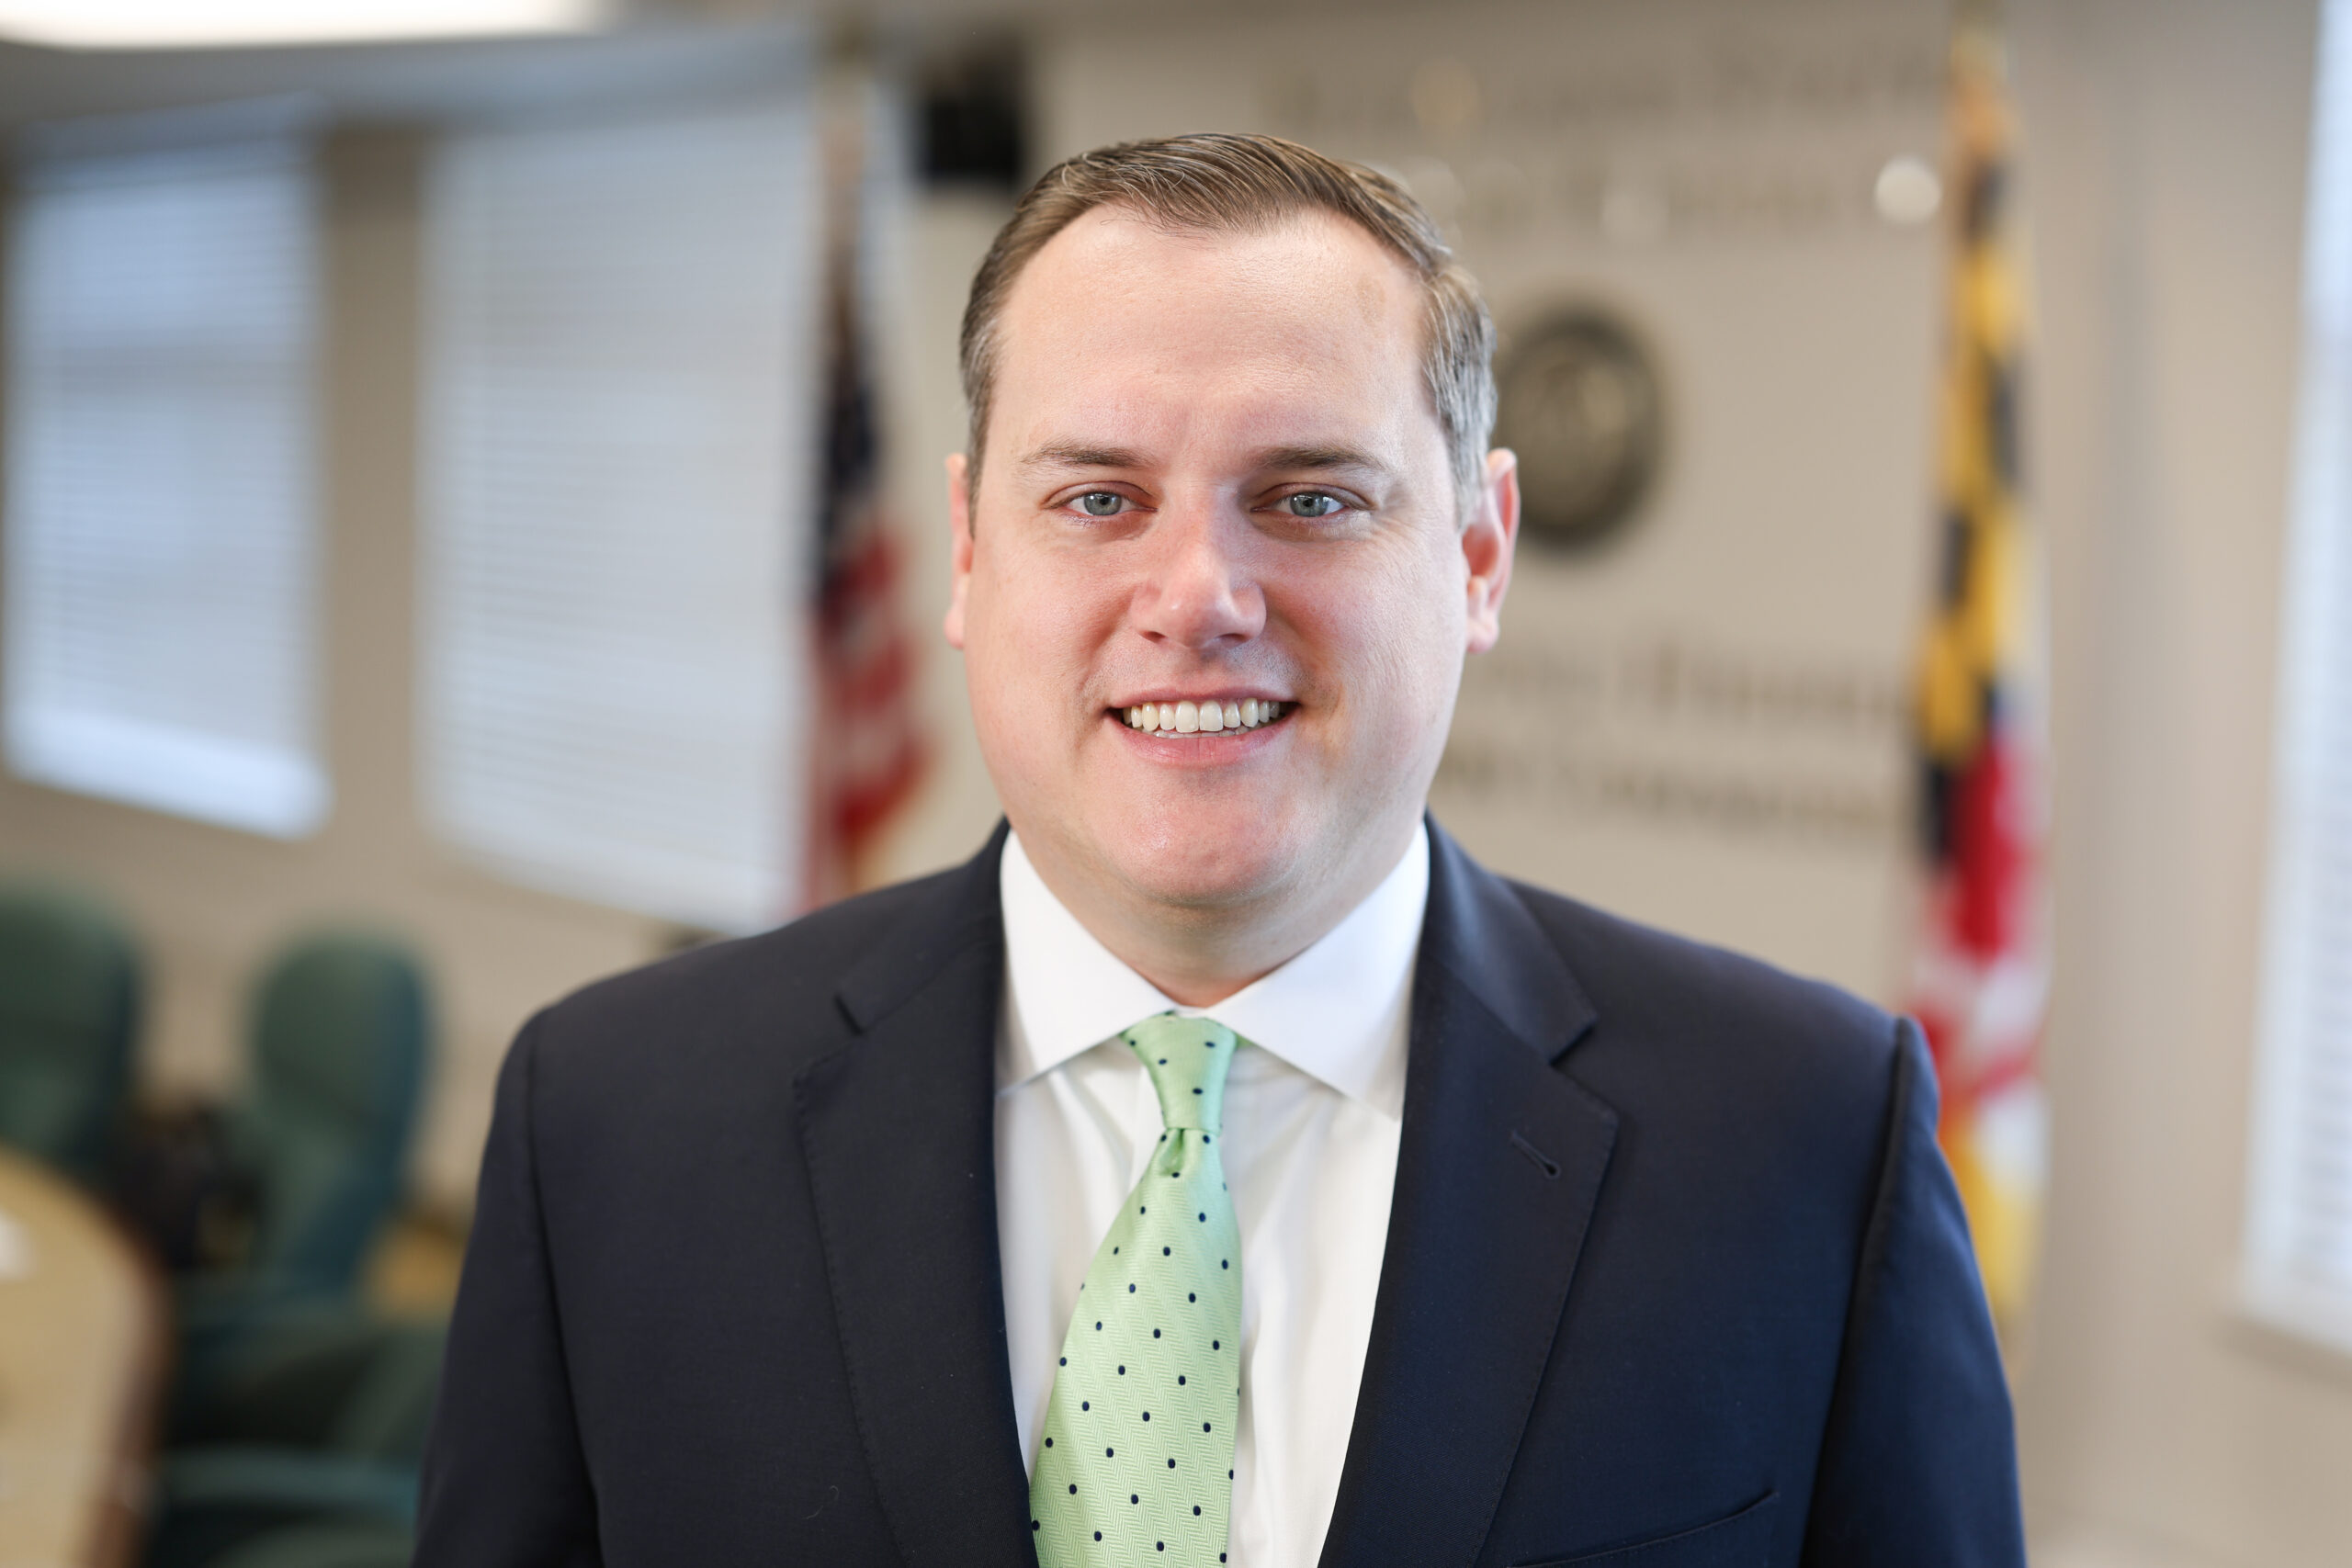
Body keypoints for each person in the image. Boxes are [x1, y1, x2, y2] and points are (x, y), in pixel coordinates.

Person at [415, 133, 2025, 1568]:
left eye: (1312, 498)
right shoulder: (613, 1122)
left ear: (1476, 552)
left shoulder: (1810, 1145)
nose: (1198, 598)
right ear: (971, 551)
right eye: (1101, 499)